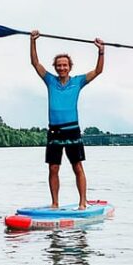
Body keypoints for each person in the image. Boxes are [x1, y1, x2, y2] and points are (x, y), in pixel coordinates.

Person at [30, 30, 105, 210]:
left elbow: (98, 70)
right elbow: (35, 63)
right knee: (53, 169)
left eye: (65, 65)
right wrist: (33, 41)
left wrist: (101, 51)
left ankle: (82, 203)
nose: (62, 68)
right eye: (59, 65)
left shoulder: (78, 81)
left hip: (72, 130)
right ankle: (55, 203)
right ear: (55, 67)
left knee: (77, 167)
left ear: (69, 66)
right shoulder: (49, 80)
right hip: (54, 131)